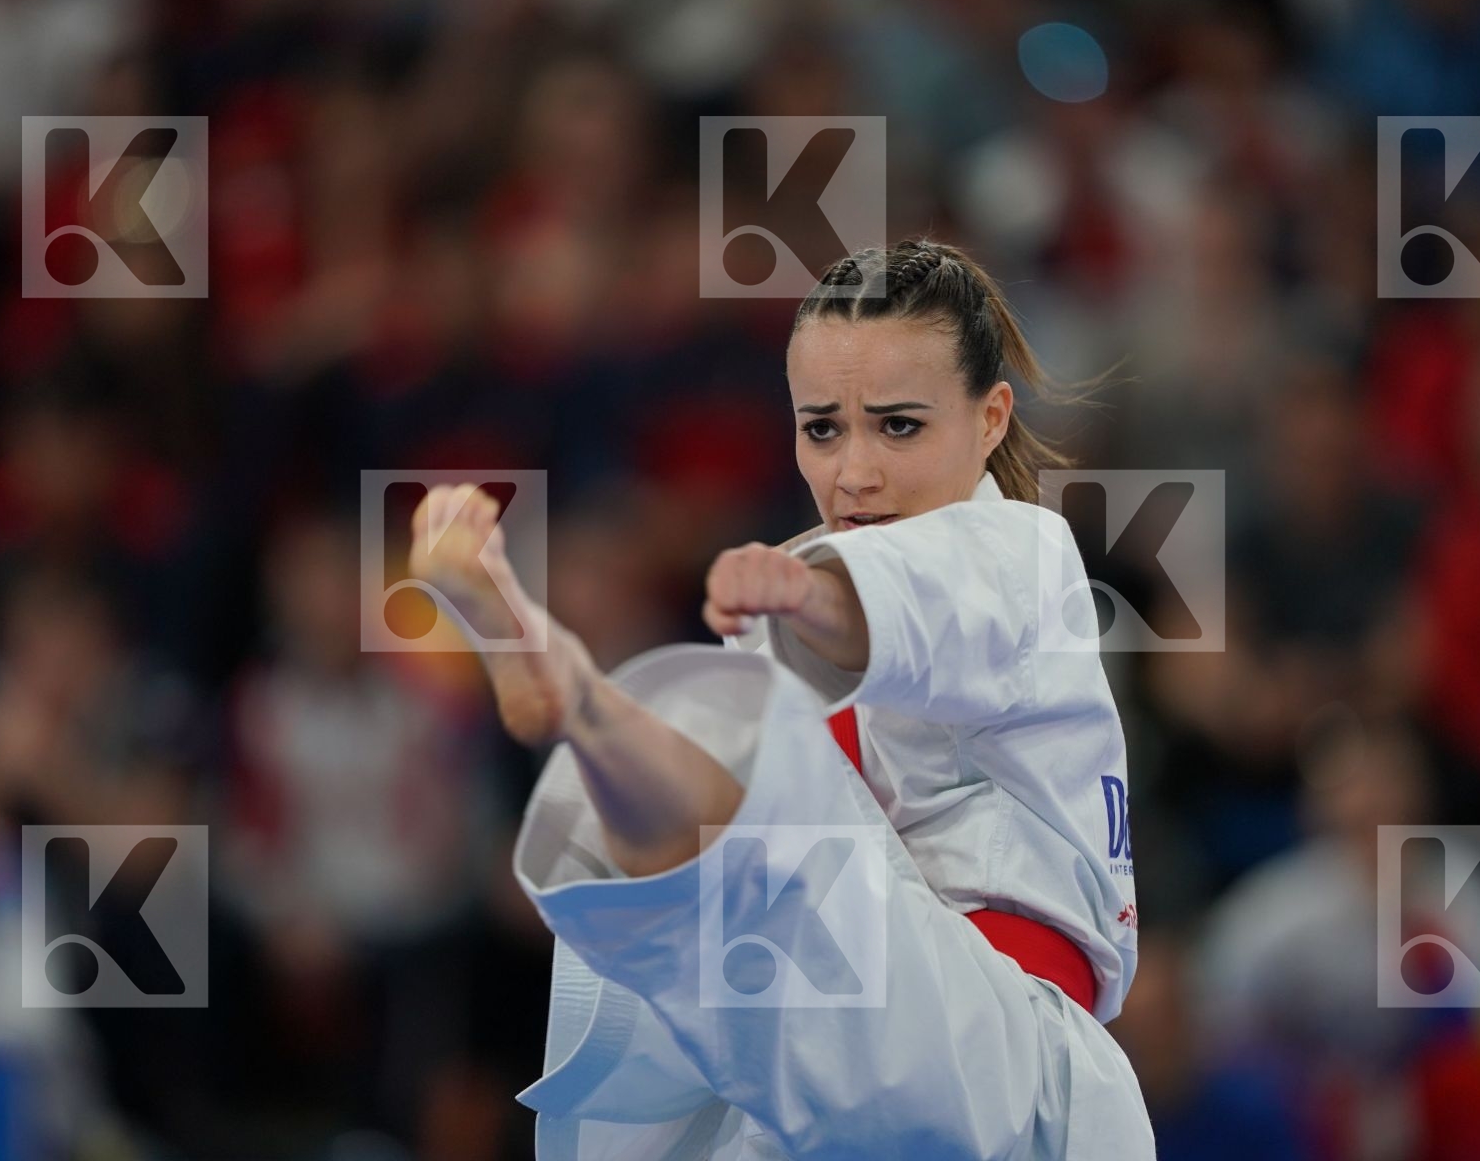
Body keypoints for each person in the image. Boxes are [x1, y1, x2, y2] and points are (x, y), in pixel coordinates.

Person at [409, 240, 1153, 1159]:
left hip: (997, 1057)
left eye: (900, 426)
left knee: (757, 810)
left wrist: (817, 599)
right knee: (719, 823)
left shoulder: (1022, 556)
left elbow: (910, 604)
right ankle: (580, 705)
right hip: (810, 1068)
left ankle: (588, 705)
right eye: (823, 428)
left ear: (991, 418)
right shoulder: (775, 610)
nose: (855, 472)